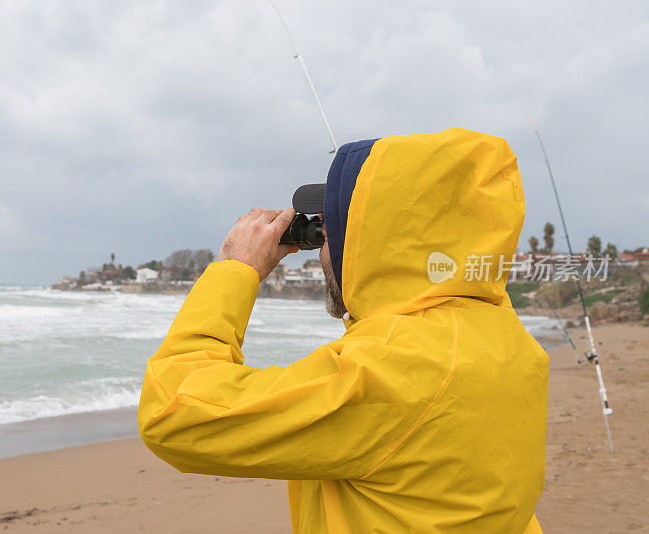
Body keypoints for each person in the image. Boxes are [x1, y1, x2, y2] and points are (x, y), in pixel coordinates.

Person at [137, 128, 548, 533]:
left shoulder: (392, 369)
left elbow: (174, 411)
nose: (320, 253)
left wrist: (236, 267)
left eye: (328, 233)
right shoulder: (508, 339)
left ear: (374, 244)